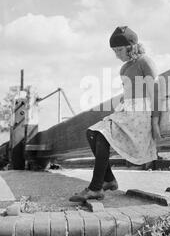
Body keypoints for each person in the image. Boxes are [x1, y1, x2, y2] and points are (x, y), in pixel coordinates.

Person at [69, 26, 162, 202]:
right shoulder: (125, 68)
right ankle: (108, 180)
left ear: (132, 47)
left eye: (119, 50)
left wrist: (155, 121)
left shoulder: (145, 62)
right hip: (126, 110)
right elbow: (128, 92)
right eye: (114, 51)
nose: (117, 54)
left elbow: (154, 93)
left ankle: (96, 188)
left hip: (140, 113)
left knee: (102, 135)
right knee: (91, 133)